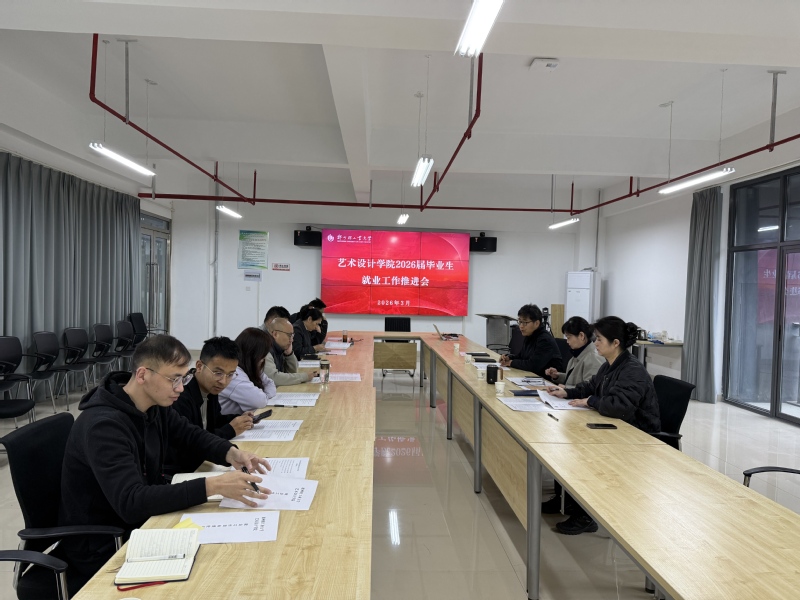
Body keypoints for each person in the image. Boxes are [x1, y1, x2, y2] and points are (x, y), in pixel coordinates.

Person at [57, 335, 271, 595]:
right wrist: (212, 486)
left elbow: (190, 435)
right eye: (174, 379)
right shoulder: (103, 426)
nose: (180, 388)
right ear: (143, 375)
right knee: (213, 578)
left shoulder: (153, 406)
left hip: (144, 523)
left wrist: (230, 453)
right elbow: (131, 502)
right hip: (104, 543)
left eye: (183, 378)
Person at [545, 316, 661, 535]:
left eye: (599, 339)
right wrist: (567, 392)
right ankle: (566, 500)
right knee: (567, 440)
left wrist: (590, 401)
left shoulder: (632, 370)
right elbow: (590, 386)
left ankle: (585, 515)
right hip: (618, 426)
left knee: (581, 450)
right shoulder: (610, 365)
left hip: (637, 435)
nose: (595, 343)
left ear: (615, 343)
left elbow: (618, 407)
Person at [166, 336, 255, 475]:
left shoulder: (210, 389)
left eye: (230, 375)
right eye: (218, 373)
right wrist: (230, 430)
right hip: (184, 471)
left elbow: (213, 422)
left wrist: (238, 418)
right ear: (199, 366)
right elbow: (191, 444)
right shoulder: (181, 396)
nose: (223, 381)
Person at [217, 327, 278, 415]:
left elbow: (270, 383)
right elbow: (260, 402)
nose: (263, 359)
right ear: (254, 354)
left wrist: (264, 396)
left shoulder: (249, 367)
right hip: (227, 422)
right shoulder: (234, 375)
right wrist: (264, 397)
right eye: (263, 355)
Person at [498, 304, 563, 374]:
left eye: (525, 322)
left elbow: (533, 365)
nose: (521, 326)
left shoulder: (544, 340)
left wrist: (511, 363)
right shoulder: (530, 335)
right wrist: (508, 357)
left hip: (546, 379)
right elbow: (522, 356)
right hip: (532, 376)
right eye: (520, 322)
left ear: (537, 323)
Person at [544, 316, 604, 388]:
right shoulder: (577, 354)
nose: (567, 341)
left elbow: (590, 388)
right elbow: (572, 379)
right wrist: (557, 376)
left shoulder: (593, 358)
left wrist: (566, 388)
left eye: (569, 337)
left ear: (581, 336)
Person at [265, 316, 318, 386]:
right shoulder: (264, 349)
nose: (292, 340)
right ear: (275, 334)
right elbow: (274, 378)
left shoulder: (279, 348)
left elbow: (292, 373)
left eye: (292, 335)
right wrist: (304, 377)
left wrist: (289, 354)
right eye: (289, 335)